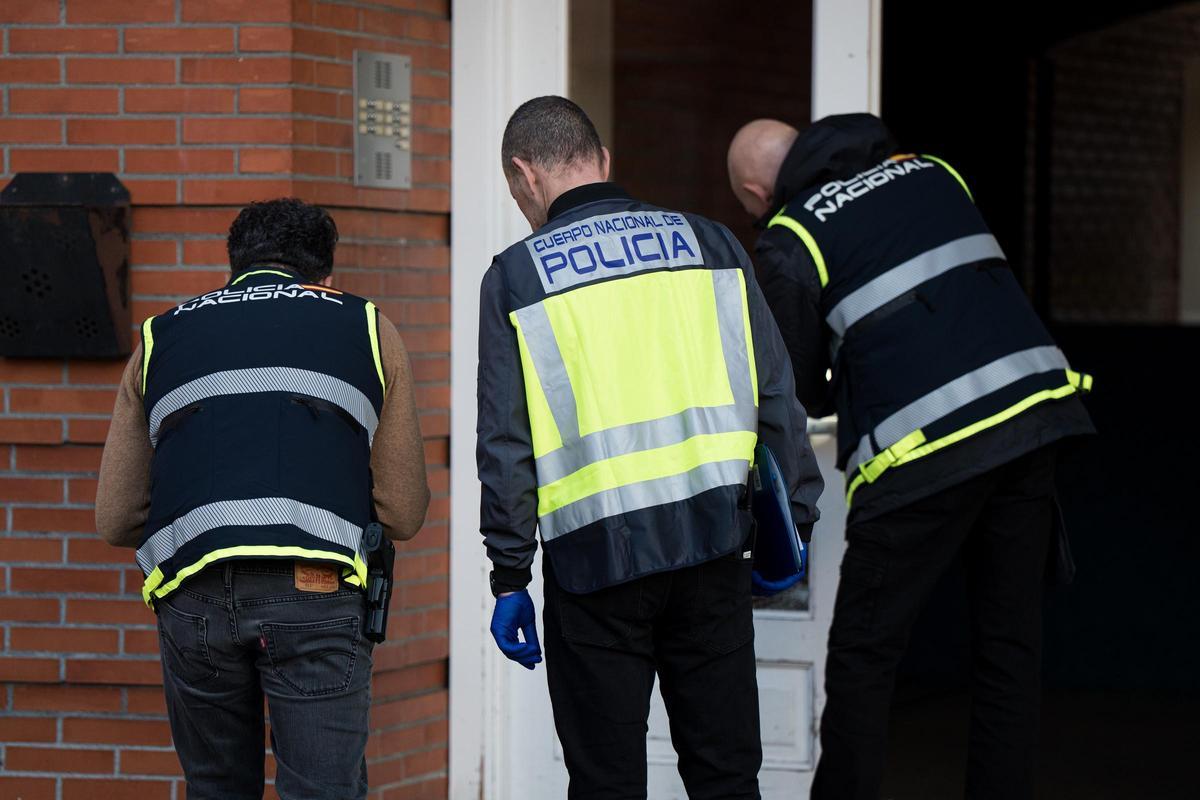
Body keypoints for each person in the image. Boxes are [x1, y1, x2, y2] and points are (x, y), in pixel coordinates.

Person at [727, 114, 1096, 800]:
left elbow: (797, 386)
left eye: (749, 208)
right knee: (1008, 646)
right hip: (1031, 416)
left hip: (921, 448)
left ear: (756, 190)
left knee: (865, 655)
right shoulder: (930, 168)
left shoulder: (791, 237)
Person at [477, 96, 824, 799]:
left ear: (523, 174)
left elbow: (506, 443)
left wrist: (510, 575)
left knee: (606, 782)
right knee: (726, 773)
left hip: (595, 564)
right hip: (713, 546)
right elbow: (776, 394)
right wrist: (795, 520)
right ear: (602, 158)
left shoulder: (518, 277)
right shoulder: (712, 243)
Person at [95, 198, 429, 800]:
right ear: (326, 277)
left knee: (217, 788)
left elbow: (115, 517)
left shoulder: (159, 335)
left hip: (191, 595)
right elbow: (403, 510)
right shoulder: (365, 326)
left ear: (235, 267)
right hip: (315, 592)